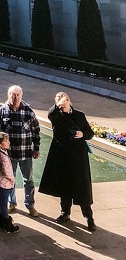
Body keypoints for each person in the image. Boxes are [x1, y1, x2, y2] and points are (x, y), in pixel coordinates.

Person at [39, 91, 96, 231]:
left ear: (69, 101)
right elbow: (50, 114)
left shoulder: (79, 115)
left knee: (82, 188)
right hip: (63, 156)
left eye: (64, 101)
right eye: (59, 102)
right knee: (64, 186)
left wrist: (82, 134)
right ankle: (65, 213)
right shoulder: (57, 116)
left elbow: (90, 133)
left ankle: (89, 217)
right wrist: (57, 106)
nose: (62, 105)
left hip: (78, 157)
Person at [0, 85, 40, 217]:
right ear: (8, 95)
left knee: (29, 180)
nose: (15, 98)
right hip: (8, 154)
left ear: (21, 96)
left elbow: (36, 131)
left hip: (26, 152)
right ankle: (12, 203)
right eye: (12, 95)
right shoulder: (1, 111)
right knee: (9, 179)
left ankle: (30, 204)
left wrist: (36, 148)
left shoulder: (29, 111)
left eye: (17, 95)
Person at [0, 131, 20, 233]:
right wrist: (12, 180)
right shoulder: (2, 155)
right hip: (5, 182)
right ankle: (6, 222)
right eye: (6, 141)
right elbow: (7, 170)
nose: (8, 143)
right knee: (3, 203)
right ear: (0, 143)